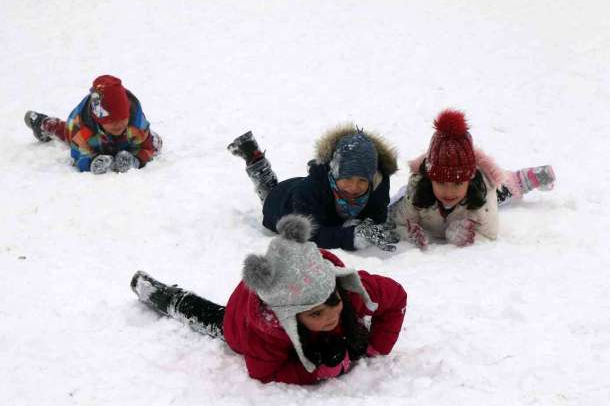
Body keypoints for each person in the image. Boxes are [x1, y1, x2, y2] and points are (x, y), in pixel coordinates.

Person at [130, 215, 407, 385]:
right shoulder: (266, 332)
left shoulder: (347, 289)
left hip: (283, 285)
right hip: (240, 319)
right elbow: (264, 372)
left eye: (332, 302)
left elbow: (396, 299)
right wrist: (316, 372)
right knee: (211, 318)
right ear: (290, 318)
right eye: (315, 314)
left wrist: (375, 346)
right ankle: (159, 294)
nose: (330, 316)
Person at [389, 109, 556, 249]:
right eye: (440, 182)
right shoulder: (417, 189)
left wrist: (458, 236)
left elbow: (489, 233)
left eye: (457, 183)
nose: (449, 191)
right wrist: (410, 234)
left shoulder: (483, 192)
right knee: (403, 198)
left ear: (469, 179)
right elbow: (398, 222)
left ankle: (520, 180)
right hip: (427, 194)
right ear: (430, 178)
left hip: (476, 195)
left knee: (501, 190)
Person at [227, 125, 399, 251]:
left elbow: (378, 214)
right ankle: (256, 162)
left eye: (362, 180)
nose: (354, 187)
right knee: (269, 191)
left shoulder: (378, 182)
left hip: (311, 196)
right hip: (282, 203)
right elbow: (308, 234)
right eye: (346, 178)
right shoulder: (309, 190)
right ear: (334, 172)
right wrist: (352, 237)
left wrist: (369, 224)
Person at [24, 75, 162, 174]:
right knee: (66, 132)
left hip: (126, 140)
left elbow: (147, 147)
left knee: (155, 143)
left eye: (122, 119)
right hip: (91, 138)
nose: (118, 125)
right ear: (99, 119)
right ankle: (43, 123)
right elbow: (78, 156)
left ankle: (142, 139)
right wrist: (92, 162)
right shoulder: (82, 129)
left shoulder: (135, 123)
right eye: (111, 121)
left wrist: (135, 160)